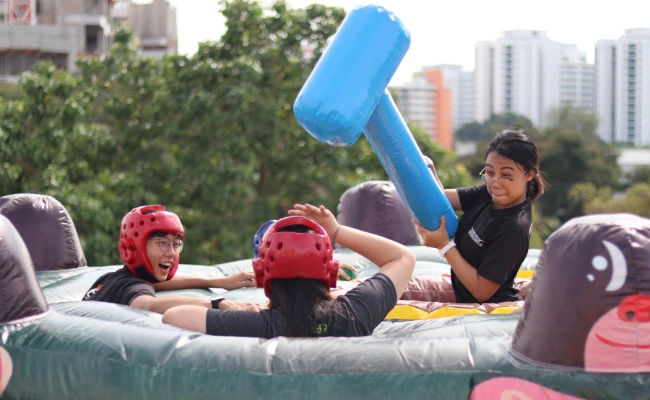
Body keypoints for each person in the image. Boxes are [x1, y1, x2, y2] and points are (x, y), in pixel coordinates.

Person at [162, 203, 416, 338]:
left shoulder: (261, 325)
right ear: (330, 271)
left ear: (263, 274)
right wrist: (336, 231)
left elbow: (174, 316)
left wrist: (223, 304)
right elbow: (403, 256)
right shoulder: (356, 312)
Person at [405, 128, 546, 304]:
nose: (496, 182)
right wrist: (428, 171)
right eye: (490, 172)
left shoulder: (514, 228)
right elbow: (442, 200)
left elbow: (481, 291)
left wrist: (444, 246)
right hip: (466, 306)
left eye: (507, 175)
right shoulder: (488, 194)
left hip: (491, 314)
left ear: (529, 174)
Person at [83, 205, 263, 313]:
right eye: (162, 243)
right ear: (134, 247)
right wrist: (219, 304)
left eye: (176, 244)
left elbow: (157, 284)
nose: (171, 253)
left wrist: (220, 281)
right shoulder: (133, 288)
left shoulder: (111, 279)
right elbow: (148, 305)